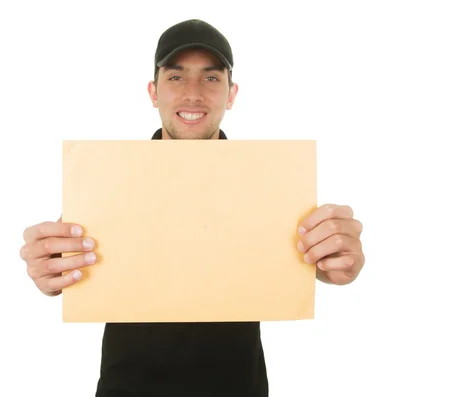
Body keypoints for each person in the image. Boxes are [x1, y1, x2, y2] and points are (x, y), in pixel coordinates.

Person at [19, 19, 366, 397]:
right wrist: (53, 268)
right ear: (154, 92)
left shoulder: (268, 185)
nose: (193, 94)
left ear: (231, 94)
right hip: (128, 388)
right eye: (176, 77)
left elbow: (299, 257)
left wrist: (334, 258)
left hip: (237, 387)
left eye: (211, 78)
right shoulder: (108, 184)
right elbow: (69, 259)